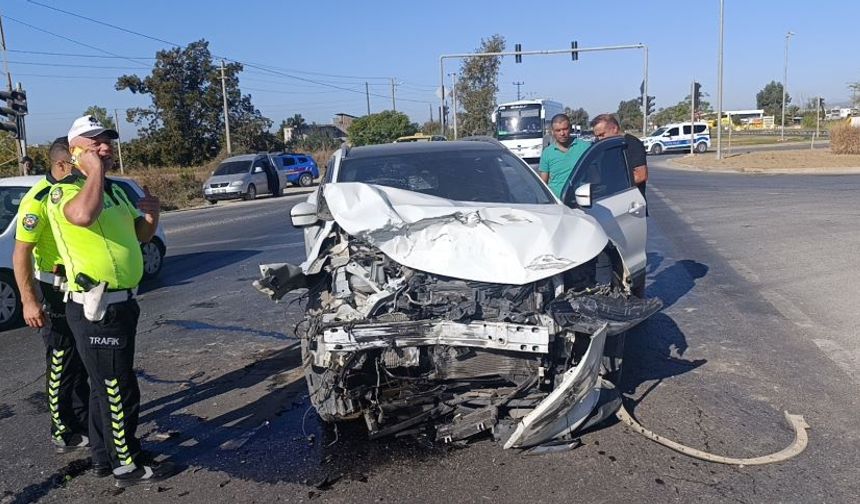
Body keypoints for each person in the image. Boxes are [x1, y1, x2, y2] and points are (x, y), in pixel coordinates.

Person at [45, 115, 174, 487]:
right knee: (118, 388)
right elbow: (83, 216)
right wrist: (91, 171)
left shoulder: (116, 190)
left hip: (122, 303)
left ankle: (104, 459)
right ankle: (126, 463)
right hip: (94, 305)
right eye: (95, 142)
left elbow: (142, 236)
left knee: (106, 387)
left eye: (108, 142)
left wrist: (151, 213)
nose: (105, 148)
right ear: (75, 149)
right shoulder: (64, 190)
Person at [12, 137, 90, 454]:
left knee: (82, 360)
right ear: (61, 164)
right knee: (61, 359)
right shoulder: (38, 199)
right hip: (54, 288)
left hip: (80, 287)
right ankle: (61, 429)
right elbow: (21, 254)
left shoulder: (76, 192)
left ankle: (83, 418)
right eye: (77, 161)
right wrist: (29, 300)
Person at [590, 114, 648, 199]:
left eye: (602, 135)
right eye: (597, 136)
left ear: (614, 128)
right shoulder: (605, 148)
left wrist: (612, 186)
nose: (599, 139)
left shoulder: (631, 144)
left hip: (630, 202)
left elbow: (641, 175)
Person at [539, 114, 591, 198]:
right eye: (558, 130)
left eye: (565, 129)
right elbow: (543, 183)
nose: (562, 133)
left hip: (581, 201)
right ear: (552, 131)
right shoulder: (547, 153)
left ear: (570, 128)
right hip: (558, 203)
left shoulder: (585, 147)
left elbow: (595, 176)